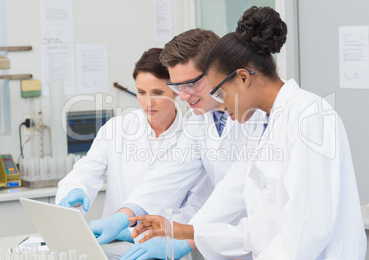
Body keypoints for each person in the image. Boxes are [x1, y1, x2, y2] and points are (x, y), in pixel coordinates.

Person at [126, 6, 367, 260]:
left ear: (242, 78)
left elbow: (305, 232)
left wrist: (189, 235)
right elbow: (261, 229)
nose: (219, 102)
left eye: (219, 93)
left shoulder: (309, 116)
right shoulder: (271, 124)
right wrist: (185, 231)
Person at [88, 28, 265, 256]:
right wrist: (123, 216)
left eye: (190, 84)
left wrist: (187, 240)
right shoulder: (199, 121)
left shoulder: (256, 118)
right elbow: (168, 175)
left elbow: (236, 195)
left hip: (257, 244)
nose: (182, 96)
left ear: (217, 72)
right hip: (223, 246)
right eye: (177, 86)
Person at [55, 48, 212, 243]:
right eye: (141, 92)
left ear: (177, 92)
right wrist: (75, 189)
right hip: (113, 241)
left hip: (166, 246)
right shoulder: (118, 128)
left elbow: (196, 206)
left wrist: (142, 232)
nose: (148, 102)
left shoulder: (194, 134)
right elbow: (87, 170)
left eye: (157, 93)